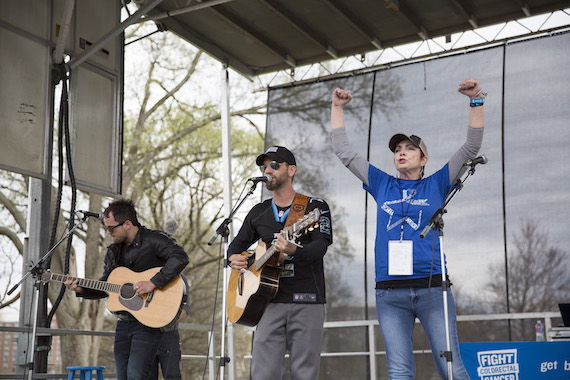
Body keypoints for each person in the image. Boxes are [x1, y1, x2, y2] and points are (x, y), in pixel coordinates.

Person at [330, 79, 484, 379]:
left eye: (410, 148)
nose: (401, 152)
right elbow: (345, 152)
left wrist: (476, 99)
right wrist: (337, 107)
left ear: (423, 158)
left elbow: (471, 148)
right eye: (398, 149)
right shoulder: (381, 183)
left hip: (431, 288)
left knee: (451, 367)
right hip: (390, 293)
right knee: (399, 372)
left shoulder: (438, 183)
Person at [227, 146, 333, 380]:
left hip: (307, 300)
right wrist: (232, 258)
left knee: (305, 373)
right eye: (264, 166)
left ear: (291, 170)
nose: (267, 170)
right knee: (263, 374)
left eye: (274, 165)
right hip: (266, 302)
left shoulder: (315, 207)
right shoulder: (258, 211)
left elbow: (321, 246)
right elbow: (235, 245)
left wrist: (295, 250)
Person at [64, 199, 189, 380]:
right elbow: (105, 287)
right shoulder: (113, 252)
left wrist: (153, 282)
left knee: (136, 375)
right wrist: (81, 289)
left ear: (128, 224)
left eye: (112, 228)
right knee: (122, 376)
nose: (108, 232)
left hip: (148, 322)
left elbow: (180, 257)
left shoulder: (154, 239)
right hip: (123, 323)